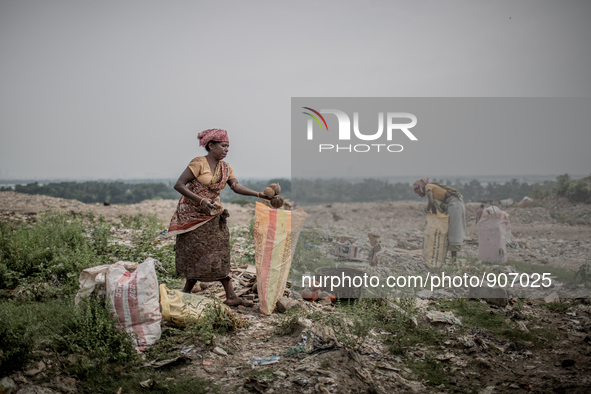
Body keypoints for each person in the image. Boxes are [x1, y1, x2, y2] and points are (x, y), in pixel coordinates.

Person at [167, 128, 269, 306]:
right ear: (211, 145)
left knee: (219, 254)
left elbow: (236, 186)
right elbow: (179, 184)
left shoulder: (225, 167)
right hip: (192, 217)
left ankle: (230, 296)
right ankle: (186, 293)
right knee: (195, 253)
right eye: (223, 145)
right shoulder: (198, 163)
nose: (226, 149)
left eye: (228, 146)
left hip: (213, 215)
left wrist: (260, 195)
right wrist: (201, 201)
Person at [412, 178, 466, 262]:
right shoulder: (431, 192)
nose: (418, 195)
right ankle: (448, 260)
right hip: (451, 205)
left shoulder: (428, 187)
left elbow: (430, 201)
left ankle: (453, 261)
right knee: (447, 231)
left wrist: (427, 208)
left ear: (420, 188)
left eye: (417, 192)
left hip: (455, 205)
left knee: (454, 231)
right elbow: (433, 208)